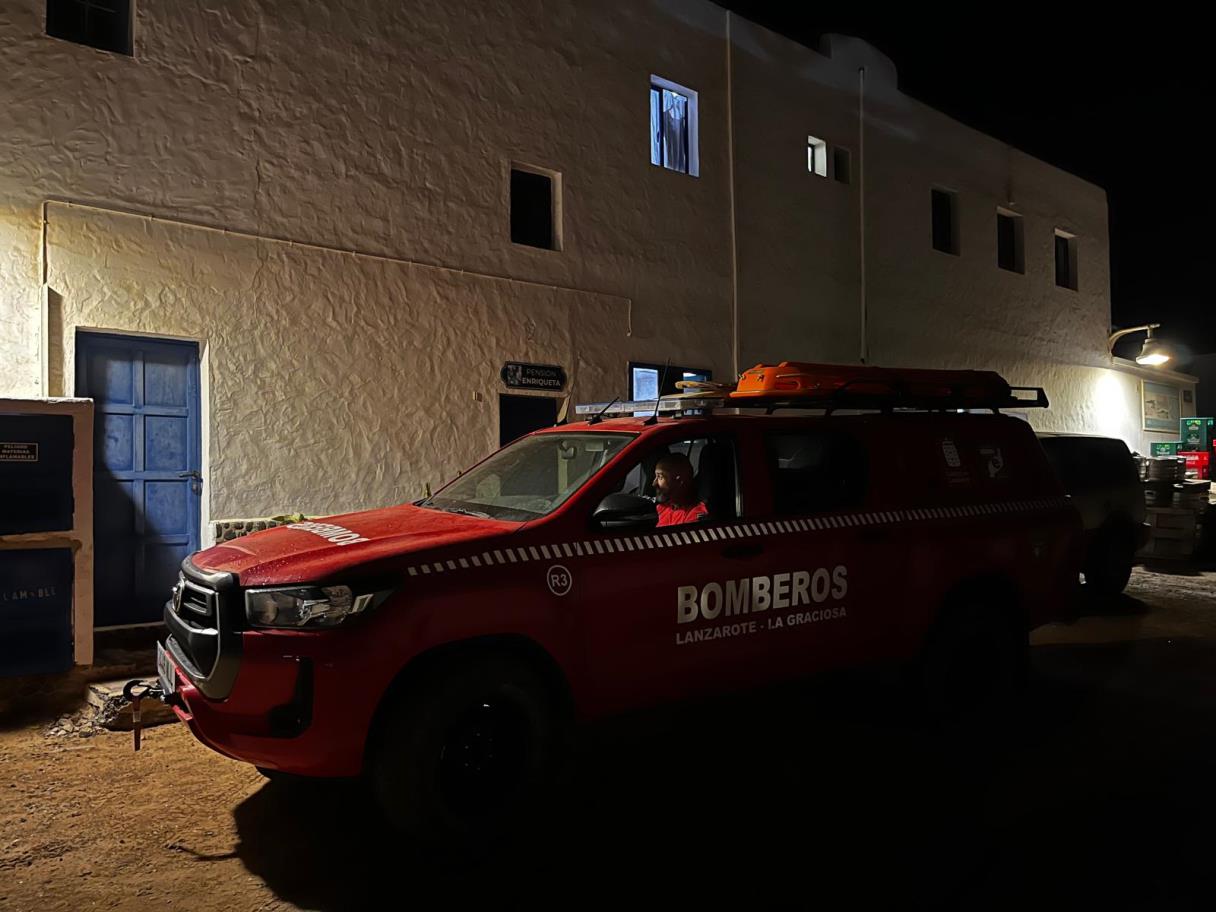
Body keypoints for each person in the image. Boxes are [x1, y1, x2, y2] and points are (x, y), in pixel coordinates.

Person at [653, 452, 708, 526]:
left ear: (679, 481)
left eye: (660, 477)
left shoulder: (695, 514)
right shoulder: (664, 508)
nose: (654, 483)